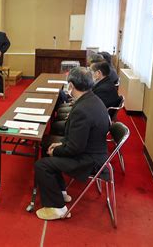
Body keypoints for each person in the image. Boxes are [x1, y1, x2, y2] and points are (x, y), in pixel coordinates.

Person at [34, 67, 110, 220]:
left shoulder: (82, 109)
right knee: (48, 147)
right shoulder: (91, 99)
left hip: (90, 161)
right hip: (93, 152)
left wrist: (57, 150)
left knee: (42, 165)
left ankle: (57, 208)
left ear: (71, 85)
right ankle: (60, 192)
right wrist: (60, 144)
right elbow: (76, 139)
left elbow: (75, 148)